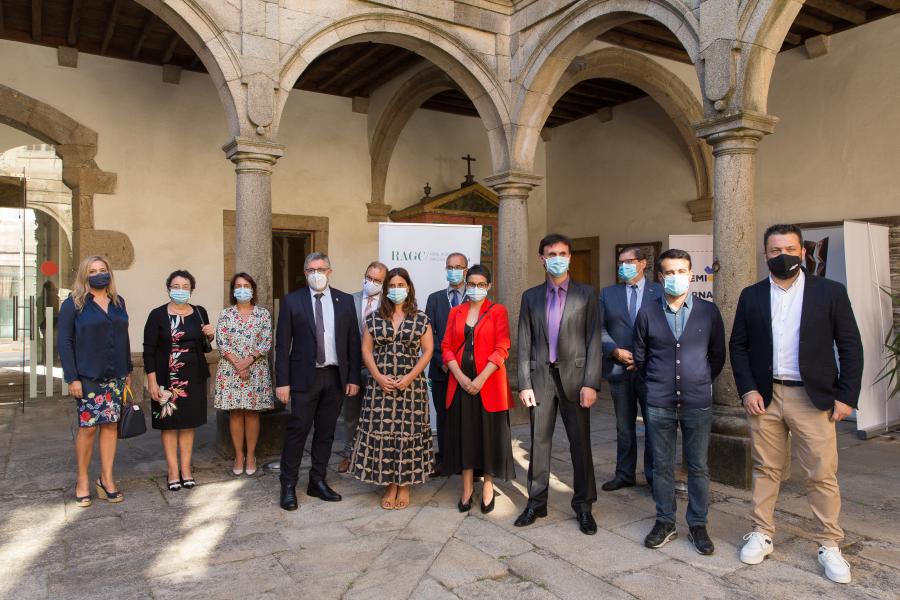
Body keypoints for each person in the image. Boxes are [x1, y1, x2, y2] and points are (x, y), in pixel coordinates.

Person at [730, 224, 863, 584]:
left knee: (821, 472)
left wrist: (847, 396)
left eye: (789, 248)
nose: (783, 255)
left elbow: (850, 345)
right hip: (766, 395)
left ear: (803, 252)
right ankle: (762, 532)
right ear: (765, 255)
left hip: (813, 396)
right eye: (775, 250)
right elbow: (738, 346)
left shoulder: (830, 292)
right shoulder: (752, 295)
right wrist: (747, 390)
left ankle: (830, 544)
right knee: (766, 468)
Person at [633, 249, 725, 555]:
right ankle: (665, 521)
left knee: (698, 466)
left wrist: (697, 379)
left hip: (697, 402)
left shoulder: (708, 312)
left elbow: (717, 356)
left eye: (682, 271)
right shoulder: (647, 313)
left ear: (691, 273)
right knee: (661, 466)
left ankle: (698, 524)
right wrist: (658, 383)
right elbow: (641, 357)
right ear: (660, 277)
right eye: (669, 273)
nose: (676, 278)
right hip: (658, 402)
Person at [515, 233, 602, 535]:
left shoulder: (587, 294)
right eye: (551, 253)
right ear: (541, 258)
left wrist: (591, 383)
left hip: (576, 381)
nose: (557, 258)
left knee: (580, 445)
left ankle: (584, 506)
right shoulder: (530, 297)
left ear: (570, 257)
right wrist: (523, 384)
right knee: (539, 443)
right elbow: (523, 342)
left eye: (562, 253)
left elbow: (593, 340)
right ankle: (536, 503)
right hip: (540, 379)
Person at [276, 252, 361, 511]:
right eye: (312, 269)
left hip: (335, 377)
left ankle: (317, 480)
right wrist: (282, 382)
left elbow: (352, 343)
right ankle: (288, 485)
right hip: (303, 378)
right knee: (298, 432)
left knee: (326, 432)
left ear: (330, 272)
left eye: (321, 268)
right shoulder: (292, 301)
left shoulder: (344, 301)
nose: (317, 273)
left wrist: (353, 377)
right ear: (305, 273)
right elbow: (282, 345)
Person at [350, 267, 435, 510]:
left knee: (406, 433)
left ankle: (404, 484)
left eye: (401, 285)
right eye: (392, 286)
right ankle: (389, 484)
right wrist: (377, 376)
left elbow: (428, 350)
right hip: (381, 388)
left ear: (409, 288)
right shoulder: (375, 318)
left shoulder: (421, 318)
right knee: (384, 432)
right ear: (386, 289)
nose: (396, 289)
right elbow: (366, 349)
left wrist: (409, 377)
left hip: (411, 388)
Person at [58, 255, 132, 507]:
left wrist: (128, 370)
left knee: (111, 426)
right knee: (88, 428)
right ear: (84, 274)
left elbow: (124, 337)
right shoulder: (73, 304)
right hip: (88, 375)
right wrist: (72, 377)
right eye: (93, 270)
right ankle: (82, 480)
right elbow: (65, 343)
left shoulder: (118, 302)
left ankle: (106, 479)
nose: (99, 273)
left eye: (102, 270)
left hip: (116, 375)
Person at [441, 265, 515, 513]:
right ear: (465, 284)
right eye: (471, 284)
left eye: (481, 284)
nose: (475, 288)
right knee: (465, 436)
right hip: (460, 383)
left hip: (489, 384)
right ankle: (466, 489)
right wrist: (460, 376)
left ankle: (487, 486)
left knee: (488, 437)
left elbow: (502, 347)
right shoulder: (456, 312)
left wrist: (481, 379)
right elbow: (447, 346)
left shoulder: (498, 311)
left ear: (489, 286)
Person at [144, 270, 214, 492]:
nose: (181, 290)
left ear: (191, 290)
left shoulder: (200, 312)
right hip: (167, 378)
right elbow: (149, 351)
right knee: (169, 425)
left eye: (185, 286)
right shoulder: (157, 315)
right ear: (168, 288)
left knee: (188, 424)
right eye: (176, 286)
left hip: (193, 377)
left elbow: (205, 344)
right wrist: (152, 382)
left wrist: (211, 335)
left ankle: (186, 469)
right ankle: (173, 471)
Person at [600, 246, 660, 492]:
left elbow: (666, 327)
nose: (623, 265)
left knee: (654, 426)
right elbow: (599, 328)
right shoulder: (608, 293)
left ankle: (654, 477)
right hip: (619, 369)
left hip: (652, 371)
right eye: (620, 261)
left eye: (629, 261)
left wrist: (644, 356)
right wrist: (613, 350)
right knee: (624, 427)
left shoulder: (659, 291)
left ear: (643, 263)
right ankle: (624, 474)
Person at [214, 272, 273, 476]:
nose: (242, 288)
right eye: (238, 285)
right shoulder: (226, 314)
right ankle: (239, 455)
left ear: (253, 289)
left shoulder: (263, 314)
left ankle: (251, 454)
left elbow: (265, 341)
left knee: (252, 412)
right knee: (236, 413)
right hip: (231, 371)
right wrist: (238, 364)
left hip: (255, 370)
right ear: (233, 290)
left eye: (246, 285)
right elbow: (222, 342)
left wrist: (247, 361)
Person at [337, 261, 387, 474]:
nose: (371, 282)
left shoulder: (389, 304)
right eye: (369, 277)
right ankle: (350, 453)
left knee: (379, 415)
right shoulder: (350, 300)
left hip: (380, 368)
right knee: (351, 414)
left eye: (377, 280)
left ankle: (376, 456)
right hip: (354, 369)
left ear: (383, 283)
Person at [425, 252, 468, 477]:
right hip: (441, 369)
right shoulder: (435, 299)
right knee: (443, 416)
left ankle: (466, 460)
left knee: (466, 418)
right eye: (450, 266)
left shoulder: (474, 298)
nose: (454, 270)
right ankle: (443, 460)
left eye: (458, 266)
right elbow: (428, 335)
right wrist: (444, 362)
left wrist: (461, 366)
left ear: (466, 269)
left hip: (468, 372)